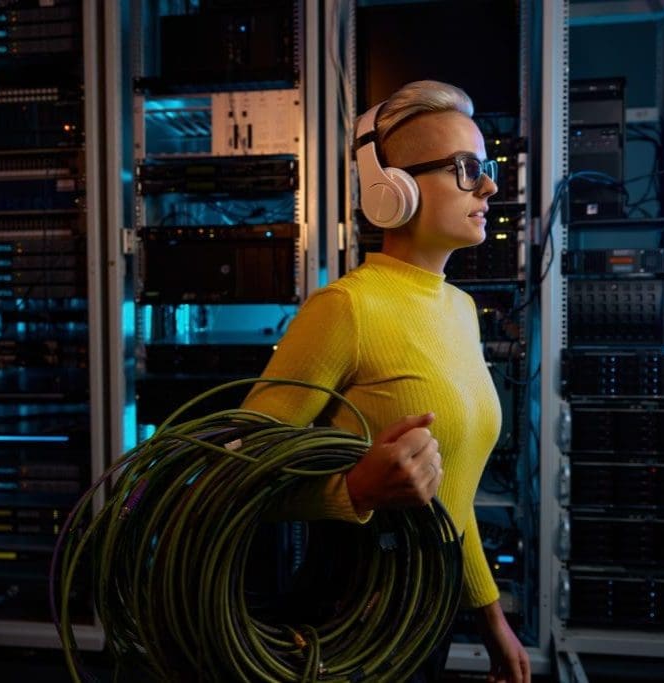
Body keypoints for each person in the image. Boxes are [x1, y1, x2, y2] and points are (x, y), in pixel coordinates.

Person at [243, 79, 531, 683]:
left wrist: (491, 619)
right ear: (391, 189)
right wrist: (354, 490)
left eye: (487, 166)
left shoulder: (459, 309)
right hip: (351, 610)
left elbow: (451, 497)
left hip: (429, 610)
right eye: (466, 168)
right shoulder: (345, 309)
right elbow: (235, 472)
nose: (490, 185)